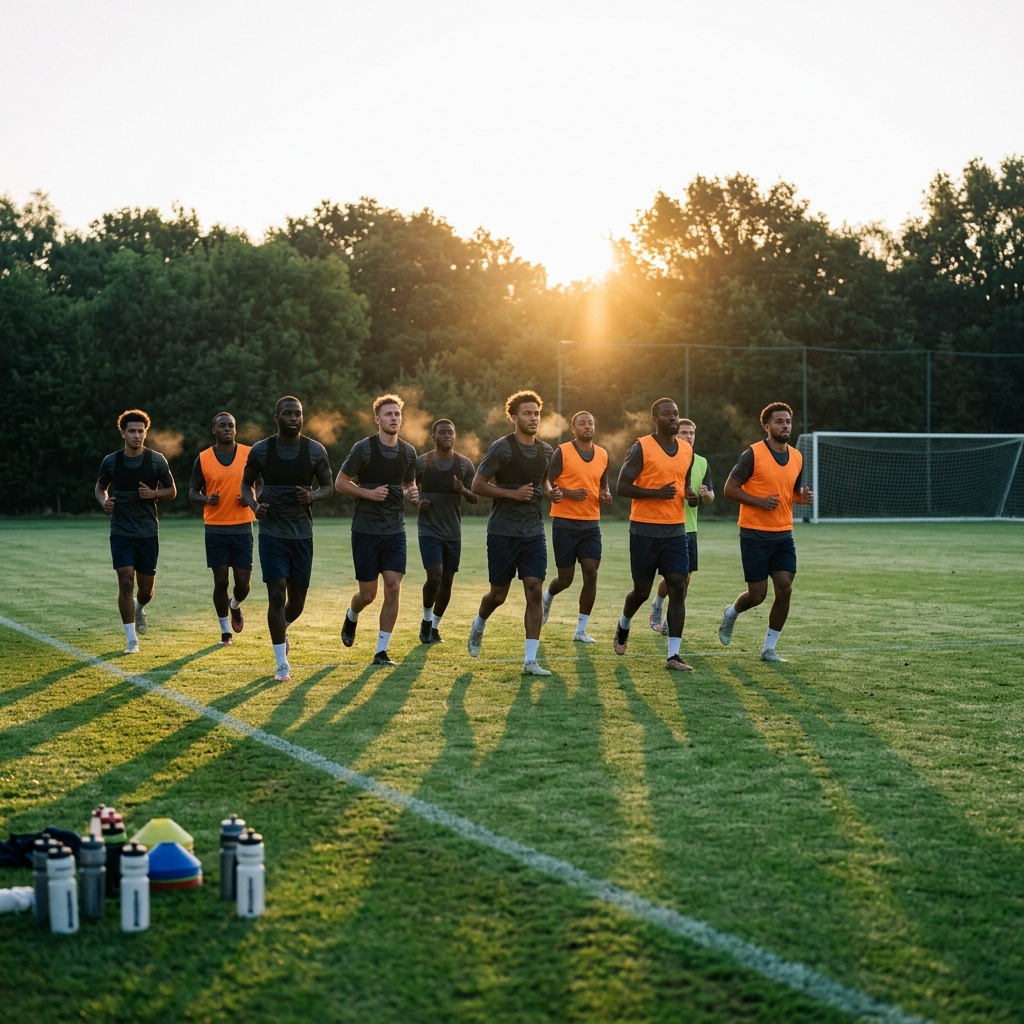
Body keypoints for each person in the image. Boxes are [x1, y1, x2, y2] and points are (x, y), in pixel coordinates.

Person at [467, 390, 559, 675]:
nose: (533, 418)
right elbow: (477, 484)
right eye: (527, 413)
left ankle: (530, 661)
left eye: (536, 413)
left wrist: (553, 494)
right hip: (503, 532)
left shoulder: (546, 451)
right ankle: (479, 624)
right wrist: (511, 493)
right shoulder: (501, 448)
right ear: (514, 417)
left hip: (533, 532)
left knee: (534, 590)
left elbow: (543, 483)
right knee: (498, 595)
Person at [242, 397, 334, 681]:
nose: (293, 418)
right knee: (276, 592)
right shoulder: (261, 450)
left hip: (302, 533)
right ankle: (281, 664)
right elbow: (245, 484)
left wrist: (312, 495)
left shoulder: (315, 450)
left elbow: (329, 487)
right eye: (287, 414)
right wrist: (255, 506)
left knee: (296, 604)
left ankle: (282, 628)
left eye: (298, 414)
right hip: (272, 532)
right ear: (276, 418)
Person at [719, 402, 813, 663]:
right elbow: (730, 489)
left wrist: (799, 498)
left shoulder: (796, 456)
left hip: (783, 534)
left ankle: (769, 649)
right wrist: (759, 501)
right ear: (767, 426)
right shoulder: (753, 454)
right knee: (757, 595)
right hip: (754, 534)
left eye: (788, 421)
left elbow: (790, 491)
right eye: (779, 421)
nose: (785, 426)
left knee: (785, 589)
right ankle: (732, 613)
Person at [613, 398, 697, 671]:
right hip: (644, 531)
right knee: (641, 591)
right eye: (666, 414)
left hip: (675, 531)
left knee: (678, 586)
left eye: (675, 413)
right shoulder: (641, 447)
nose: (673, 418)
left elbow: (683, 485)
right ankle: (623, 625)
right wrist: (655, 494)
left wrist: (691, 496)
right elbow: (622, 487)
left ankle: (673, 656)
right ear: (654, 419)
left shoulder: (687, 450)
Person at [335, 394, 419, 666]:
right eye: (389, 414)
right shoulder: (364, 449)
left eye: (397, 414)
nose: (394, 418)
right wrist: (369, 494)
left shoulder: (408, 452)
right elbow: (341, 483)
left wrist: (414, 495)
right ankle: (352, 615)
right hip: (366, 531)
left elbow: (408, 484)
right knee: (368, 595)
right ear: (377, 419)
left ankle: (381, 652)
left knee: (393, 588)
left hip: (395, 530)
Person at [94, 409, 176, 654]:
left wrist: (154, 494)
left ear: (146, 432)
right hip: (121, 531)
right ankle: (131, 640)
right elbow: (100, 488)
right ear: (123, 433)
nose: (137, 435)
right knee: (125, 580)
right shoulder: (111, 461)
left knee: (146, 589)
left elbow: (172, 491)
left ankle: (140, 607)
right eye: (132, 431)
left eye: (141, 431)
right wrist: (104, 501)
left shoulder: (156, 460)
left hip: (148, 531)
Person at [188, 412, 259, 646]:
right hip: (215, 528)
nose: (227, 429)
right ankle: (225, 631)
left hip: (242, 526)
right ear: (214, 430)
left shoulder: (250, 454)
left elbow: (261, 485)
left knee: (243, 583)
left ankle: (235, 605)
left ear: (235, 430)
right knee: (221, 582)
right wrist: (207, 499)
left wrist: (250, 497)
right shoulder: (204, 458)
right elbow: (192, 493)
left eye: (231, 425)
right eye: (222, 425)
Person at [541, 411, 612, 642]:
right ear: (574, 429)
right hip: (564, 523)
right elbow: (547, 485)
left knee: (591, 573)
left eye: (591, 423)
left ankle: (580, 631)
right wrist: (569, 493)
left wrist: (605, 496)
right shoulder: (562, 452)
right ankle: (548, 596)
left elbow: (603, 486)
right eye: (582, 423)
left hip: (591, 524)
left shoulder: (602, 454)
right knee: (566, 579)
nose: (587, 426)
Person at [414, 419, 478, 644]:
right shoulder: (422, 463)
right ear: (434, 437)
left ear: (455, 435)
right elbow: (408, 486)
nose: (447, 436)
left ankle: (435, 628)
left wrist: (462, 490)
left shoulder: (464, 465)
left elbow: (475, 497)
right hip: (428, 529)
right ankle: (425, 620)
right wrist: (417, 501)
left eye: (451, 432)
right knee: (435, 575)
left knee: (447, 581)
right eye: (442, 433)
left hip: (453, 532)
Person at [649, 417, 715, 634]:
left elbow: (711, 496)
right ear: (675, 435)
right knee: (673, 577)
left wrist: (706, 495)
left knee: (685, 579)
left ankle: (670, 620)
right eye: (684, 433)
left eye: (691, 433)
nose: (688, 437)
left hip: (690, 529)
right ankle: (657, 604)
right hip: (668, 526)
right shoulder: (666, 458)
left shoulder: (702, 462)